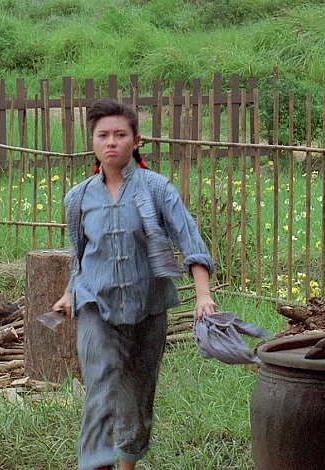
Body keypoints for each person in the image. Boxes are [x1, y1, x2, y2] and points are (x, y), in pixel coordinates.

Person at [52, 98, 217, 470]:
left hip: (148, 309)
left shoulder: (157, 190)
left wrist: (203, 296)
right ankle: (96, 463)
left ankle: (128, 464)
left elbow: (190, 240)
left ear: (136, 141)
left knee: (137, 400)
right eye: (103, 135)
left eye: (120, 135)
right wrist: (69, 292)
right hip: (97, 308)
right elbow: (80, 255)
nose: (111, 142)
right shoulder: (78, 198)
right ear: (93, 142)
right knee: (99, 390)